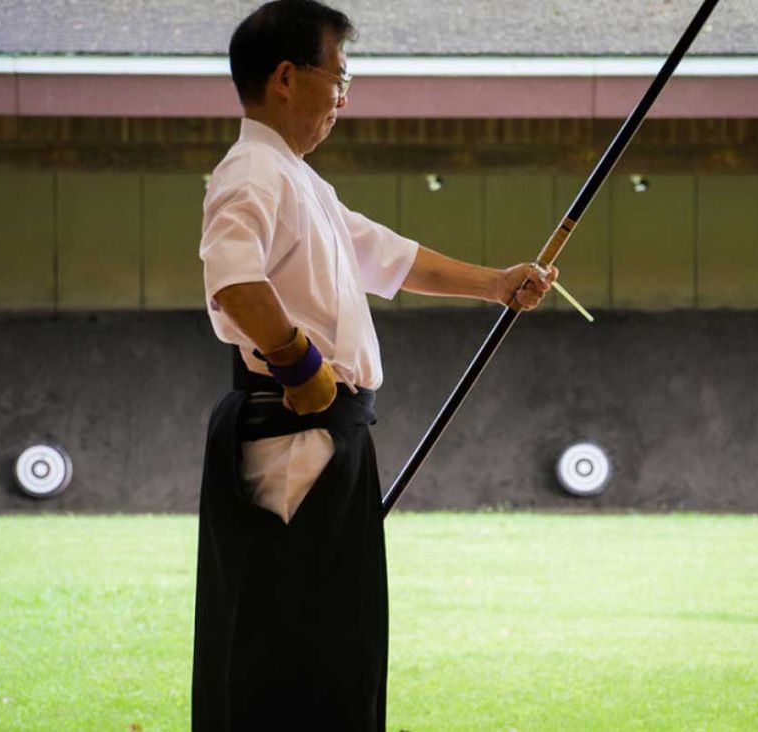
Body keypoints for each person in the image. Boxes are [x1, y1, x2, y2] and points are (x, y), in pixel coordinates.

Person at [191, 1, 557, 729]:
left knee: (335, 642)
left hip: (328, 431)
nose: (344, 98)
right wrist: (300, 367)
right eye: (339, 77)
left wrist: (495, 284)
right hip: (296, 436)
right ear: (287, 78)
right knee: (291, 644)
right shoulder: (252, 171)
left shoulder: (298, 181)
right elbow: (234, 282)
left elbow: (386, 255)